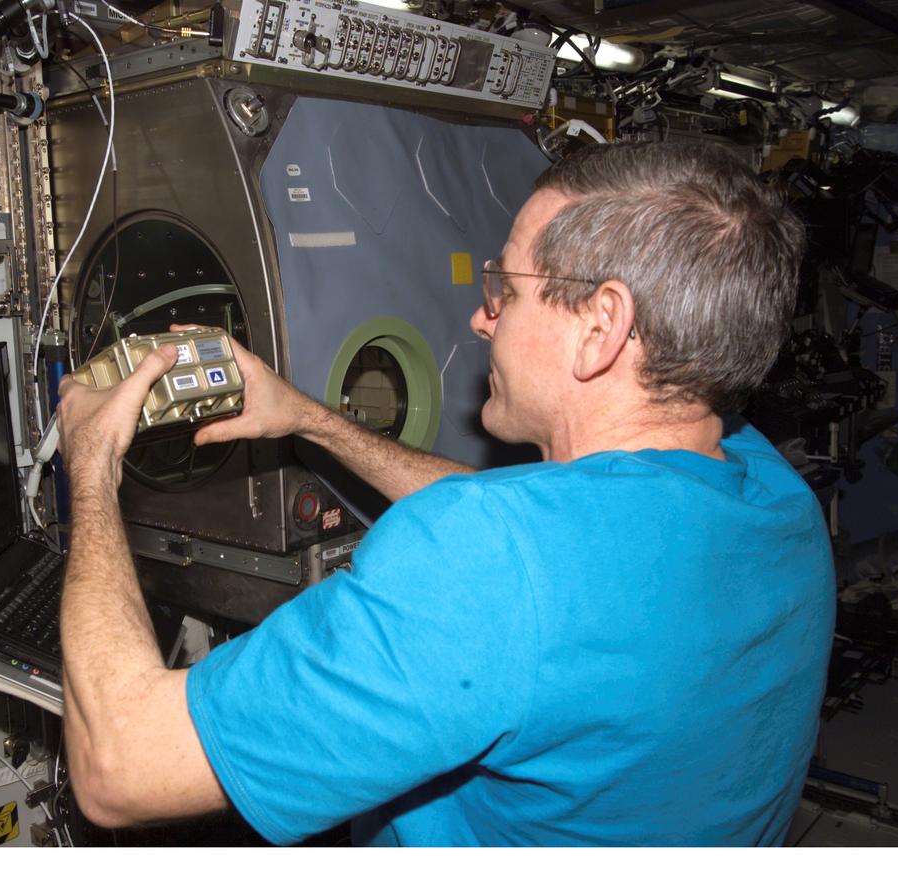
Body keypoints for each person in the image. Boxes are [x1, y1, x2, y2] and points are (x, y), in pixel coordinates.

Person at [54, 141, 836, 846]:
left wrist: (91, 464)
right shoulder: (772, 494)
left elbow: (118, 765)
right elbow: (543, 532)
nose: (481, 315)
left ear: (602, 325)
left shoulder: (488, 563)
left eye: (507, 288)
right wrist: (312, 420)